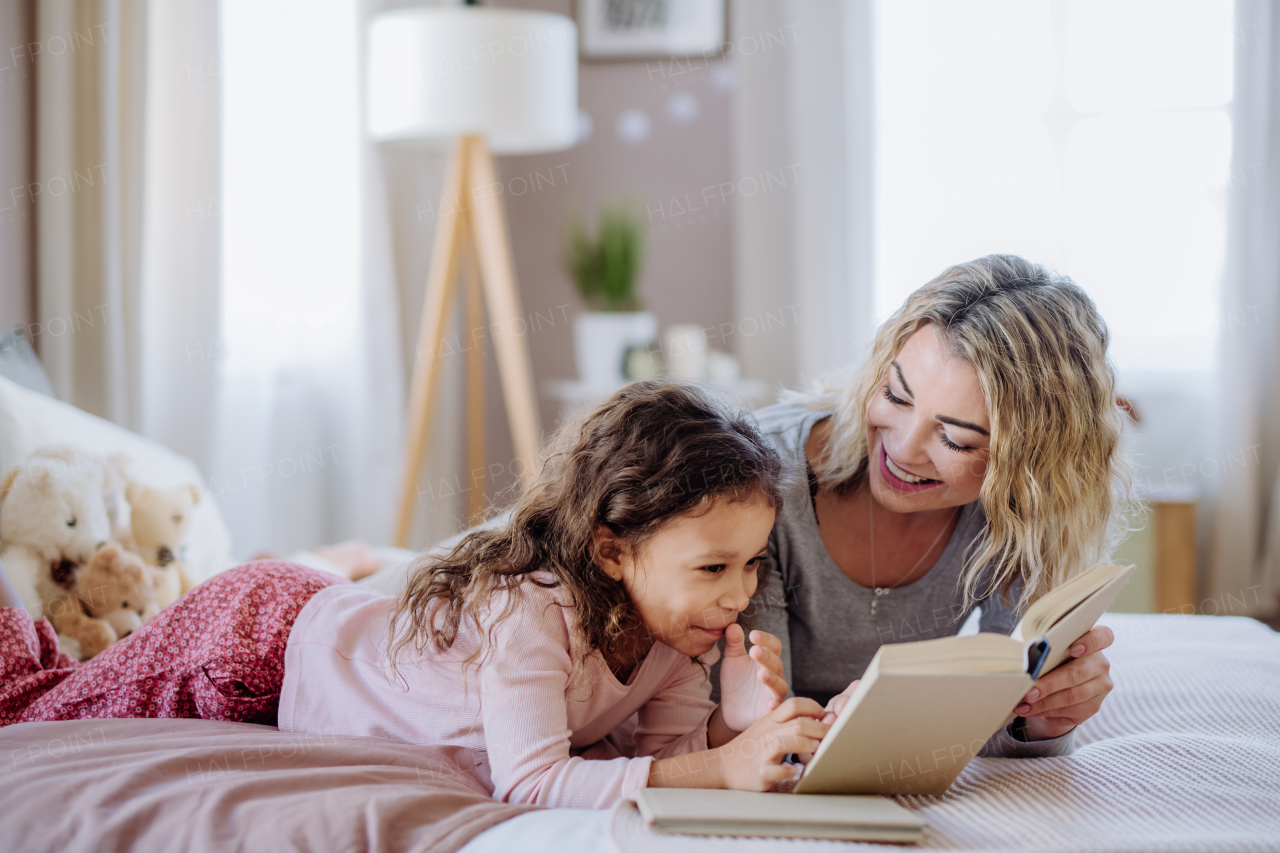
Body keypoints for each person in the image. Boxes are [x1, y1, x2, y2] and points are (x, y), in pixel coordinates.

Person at [0, 381, 828, 809]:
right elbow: (534, 782)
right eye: (714, 567)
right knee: (37, 708)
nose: (739, 594)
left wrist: (731, 724)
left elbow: (646, 762)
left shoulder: (677, 634)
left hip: (315, 630)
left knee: (89, 673)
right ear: (612, 549)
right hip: (260, 641)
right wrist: (725, 765)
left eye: (753, 564)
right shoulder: (534, 610)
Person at [752, 254, 1130, 755]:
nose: (902, 449)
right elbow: (743, 719)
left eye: (954, 439)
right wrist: (883, 726)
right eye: (895, 395)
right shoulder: (762, 478)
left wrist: (1042, 720)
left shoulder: (1016, 510)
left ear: (1026, 465)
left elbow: (1000, 721)